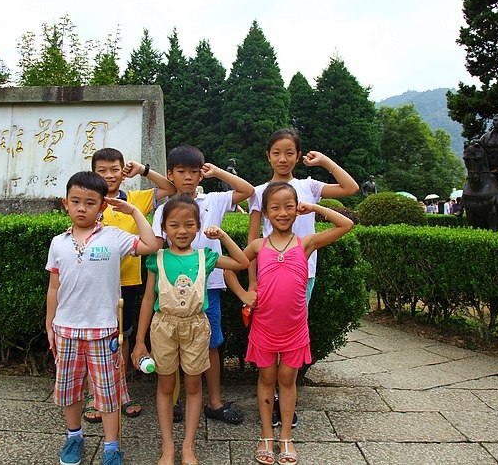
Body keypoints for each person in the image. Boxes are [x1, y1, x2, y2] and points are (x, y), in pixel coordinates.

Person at [242, 128, 358, 428]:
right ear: (267, 156)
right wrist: (252, 284)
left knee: (292, 337)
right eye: (276, 153)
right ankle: (271, 399)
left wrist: (325, 162)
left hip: (303, 274)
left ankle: (285, 398)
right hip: (269, 276)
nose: (283, 159)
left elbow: (350, 188)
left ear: (298, 155)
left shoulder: (309, 186)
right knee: (268, 340)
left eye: (289, 153)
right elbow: (252, 241)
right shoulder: (258, 192)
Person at [45, 171, 159, 465]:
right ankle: (74, 437)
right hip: (66, 329)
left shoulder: (114, 237)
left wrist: (133, 211)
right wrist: (49, 324)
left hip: (103, 330)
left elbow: (151, 245)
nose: (82, 208)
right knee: (70, 391)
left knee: (108, 393)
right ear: (65, 203)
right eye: (75, 201)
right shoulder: (58, 242)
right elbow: (54, 287)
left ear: (102, 206)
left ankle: (111, 446)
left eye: (90, 203)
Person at [133, 195, 249, 465]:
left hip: (196, 326)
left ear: (198, 226)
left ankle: (188, 447)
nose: (182, 231)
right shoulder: (157, 258)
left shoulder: (205, 257)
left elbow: (242, 262)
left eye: (189, 224)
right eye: (174, 225)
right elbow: (148, 300)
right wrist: (139, 341)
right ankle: (167, 447)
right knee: (165, 385)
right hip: (163, 326)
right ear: (164, 227)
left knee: (194, 386)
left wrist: (222, 235)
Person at [245, 182, 354, 465]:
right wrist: (245, 293)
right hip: (264, 326)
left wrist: (314, 207)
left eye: (289, 207)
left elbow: (346, 225)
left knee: (287, 380)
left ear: (297, 210)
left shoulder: (305, 243)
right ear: (265, 212)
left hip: (294, 328)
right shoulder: (258, 245)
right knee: (266, 378)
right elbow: (234, 265)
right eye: (275, 208)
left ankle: (286, 437)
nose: (282, 213)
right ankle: (266, 435)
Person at [151, 145, 254, 426]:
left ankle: (214, 402)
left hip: (209, 285)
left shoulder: (214, 200)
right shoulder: (163, 210)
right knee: (172, 345)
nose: (188, 177)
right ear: (170, 174)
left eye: (194, 171)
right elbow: (157, 246)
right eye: (181, 171)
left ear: (201, 174)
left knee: (211, 343)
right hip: (173, 289)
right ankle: (173, 401)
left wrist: (218, 172)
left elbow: (247, 191)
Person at [82, 148, 176, 423]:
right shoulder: (90, 201)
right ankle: (93, 395)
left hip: (128, 281)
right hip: (95, 282)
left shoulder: (135, 199)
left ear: (123, 172)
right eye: (102, 170)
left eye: (115, 169)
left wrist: (144, 170)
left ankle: (119, 391)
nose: (109, 175)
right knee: (93, 337)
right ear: (93, 173)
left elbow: (170, 188)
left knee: (122, 337)